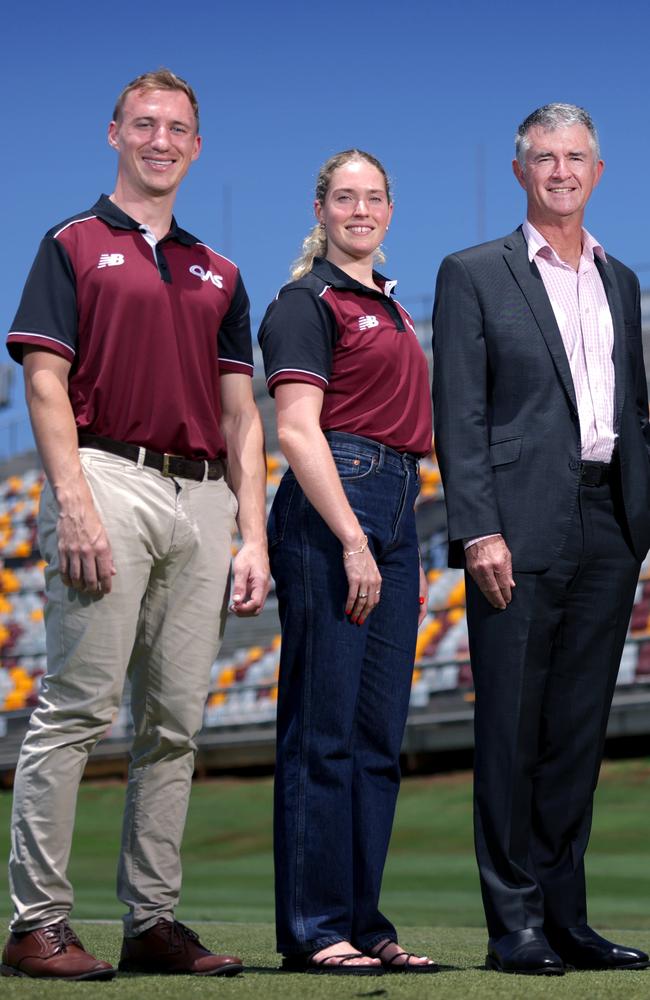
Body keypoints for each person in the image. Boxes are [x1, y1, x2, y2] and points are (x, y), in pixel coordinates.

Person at [1, 69, 269, 980]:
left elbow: (243, 415)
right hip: (107, 473)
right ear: (113, 133)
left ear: (198, 146)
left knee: (175, 726)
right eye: (145, 124)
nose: (162, 140)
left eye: (179, 128)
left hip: (205, 498)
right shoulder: (70, 244)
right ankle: (36, 924)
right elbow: (42, 380)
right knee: (76, 709)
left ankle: (151, 923)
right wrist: (71, 497)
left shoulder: (219, 270)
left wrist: (254, 534)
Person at [432, 103, 650, 976]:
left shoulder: (622, 280)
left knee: (576, 734)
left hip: (612, 524)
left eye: (576, 157)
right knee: (513, 731)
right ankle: (513, 923)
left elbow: (633, 412)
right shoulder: (474, 272)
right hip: (514, 527)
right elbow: (463, 411)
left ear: (599, 171)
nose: (561, 170)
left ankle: (568, 919)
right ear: (522, 171)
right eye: (544, 157)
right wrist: (477, 524)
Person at [258, 150, 437, 976]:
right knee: (322, 733)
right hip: (341, 500)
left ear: (390, 211)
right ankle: (314, 925)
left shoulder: (394, 310)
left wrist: (393, 538)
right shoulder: (307, 301)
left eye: (373, 197)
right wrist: (354, 539)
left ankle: (363, 920)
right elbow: (296, 430)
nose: (359, 209)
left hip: (398, 498)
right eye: (344, 197)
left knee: (375, 739)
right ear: (321, 208)